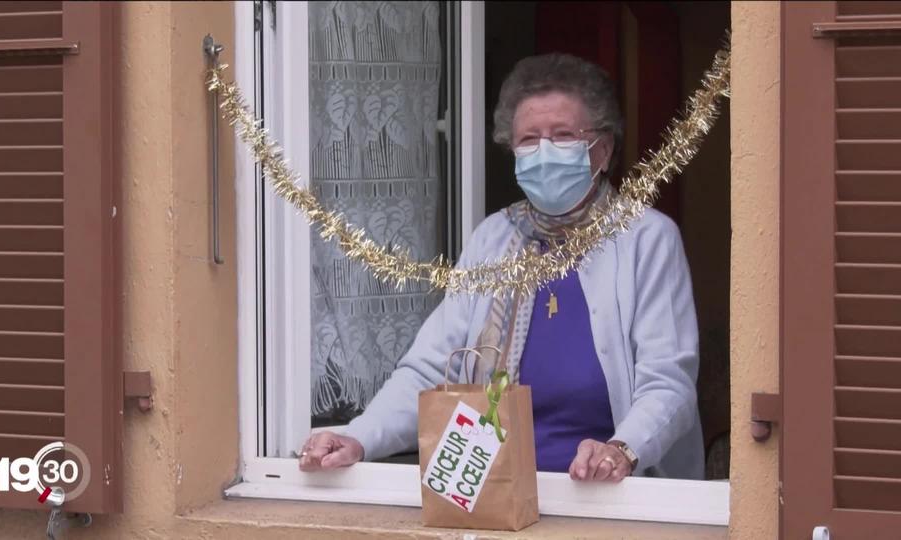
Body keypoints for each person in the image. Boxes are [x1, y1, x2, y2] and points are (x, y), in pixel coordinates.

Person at [298, 53, 704, 482]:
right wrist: (358, 437)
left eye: (562, 135)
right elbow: (431, 367)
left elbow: (668, 382)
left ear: (601, 150)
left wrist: (622, 449)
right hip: (492, 491)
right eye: (529, 140)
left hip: (607, 494)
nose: (544, 152)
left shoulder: (646, 238)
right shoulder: (494, 238)